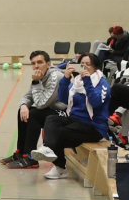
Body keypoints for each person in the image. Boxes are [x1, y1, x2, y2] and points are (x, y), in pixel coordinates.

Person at [32, 52, 114, 180]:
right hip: (75, 121)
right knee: (51, 119)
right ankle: (48, 149)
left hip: (94, 126)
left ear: (96, 67)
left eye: (88, 64)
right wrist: (65, 78)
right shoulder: (77, 83)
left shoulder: (102, 84)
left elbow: (96, 102)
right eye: (82, 64)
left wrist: (88, 82)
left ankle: (59, 166)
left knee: (56, 133)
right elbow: (63, 99)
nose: (85, 67)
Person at [2, 50, 64, 170]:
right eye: (33, 63)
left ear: (48, 63)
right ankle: (21, 152)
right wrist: (24, 105)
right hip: (50, 111)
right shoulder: (40, 75)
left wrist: (36, 82)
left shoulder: (56, 77)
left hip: (64, 114)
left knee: (35, 114)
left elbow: (41, 104)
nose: (36, 66)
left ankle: (30, 158)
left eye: (40, 62)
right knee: (25, 110)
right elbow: (27, 97)